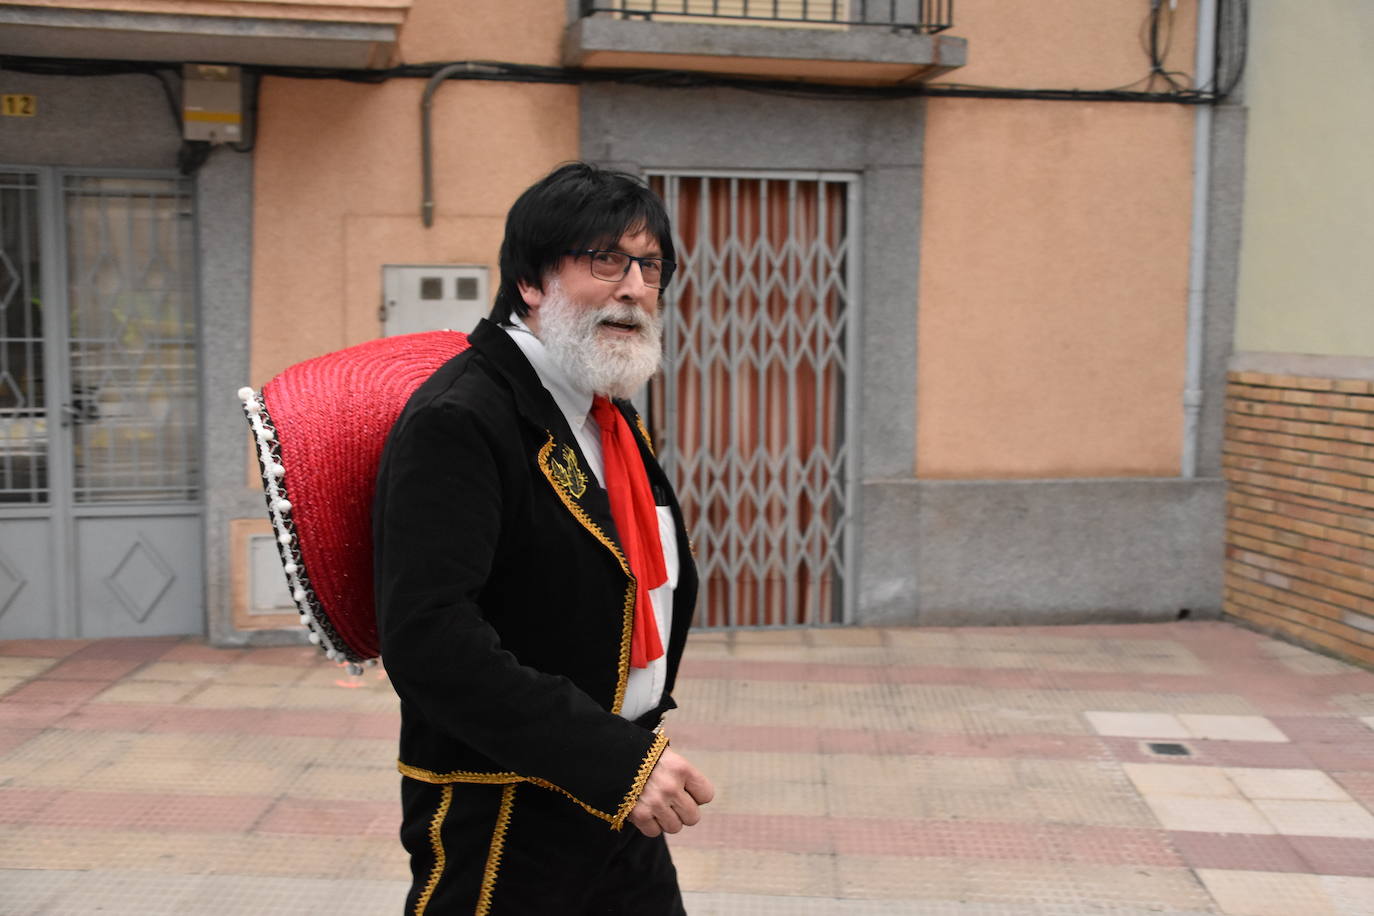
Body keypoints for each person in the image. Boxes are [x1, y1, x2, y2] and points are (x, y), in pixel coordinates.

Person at [373, 162, 713, 915]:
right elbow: (429, 639)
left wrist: (625, 763)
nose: (635, 287)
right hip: (505, 808)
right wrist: (612, 761)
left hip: (618, 796)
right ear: (531, 280)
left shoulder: (604, 412)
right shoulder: (463, 418)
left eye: (650, 266)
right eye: (606, 260)